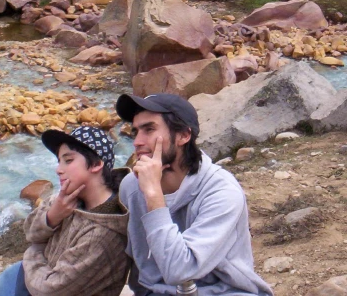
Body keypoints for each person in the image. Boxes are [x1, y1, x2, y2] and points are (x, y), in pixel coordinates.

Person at [116, 93, 273, 296]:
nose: (137, 141)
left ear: (183, 135)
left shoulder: (221, 191)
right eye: (135, 131)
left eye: (149, 129)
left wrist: (153, 195)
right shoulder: (131, 186)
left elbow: (180, 271)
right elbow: (131, 260)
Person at [0, 126, 130, 296]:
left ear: (96, 164)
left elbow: (50, 289)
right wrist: (51, 217)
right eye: (59, 161)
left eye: (68, 160)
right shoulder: (67, 199)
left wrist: (34, 251)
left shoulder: (103, 235)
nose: (58, 169)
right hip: (28, 278)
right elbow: (30, 232)